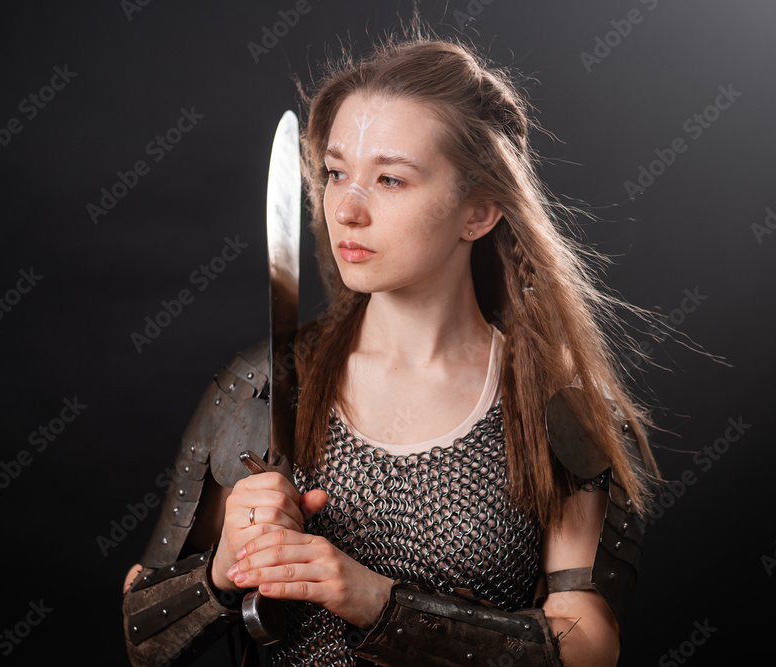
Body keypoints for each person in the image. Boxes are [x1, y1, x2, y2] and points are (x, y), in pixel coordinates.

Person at [122, 28, 659, 667]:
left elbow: (589, 645)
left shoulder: (553, 408)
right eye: (336, 173)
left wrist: (378, 602)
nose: (347, 209)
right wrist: (222, 568)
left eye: (390, 180)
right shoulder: (263, 384)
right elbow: (143, 637)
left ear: (479, 211)